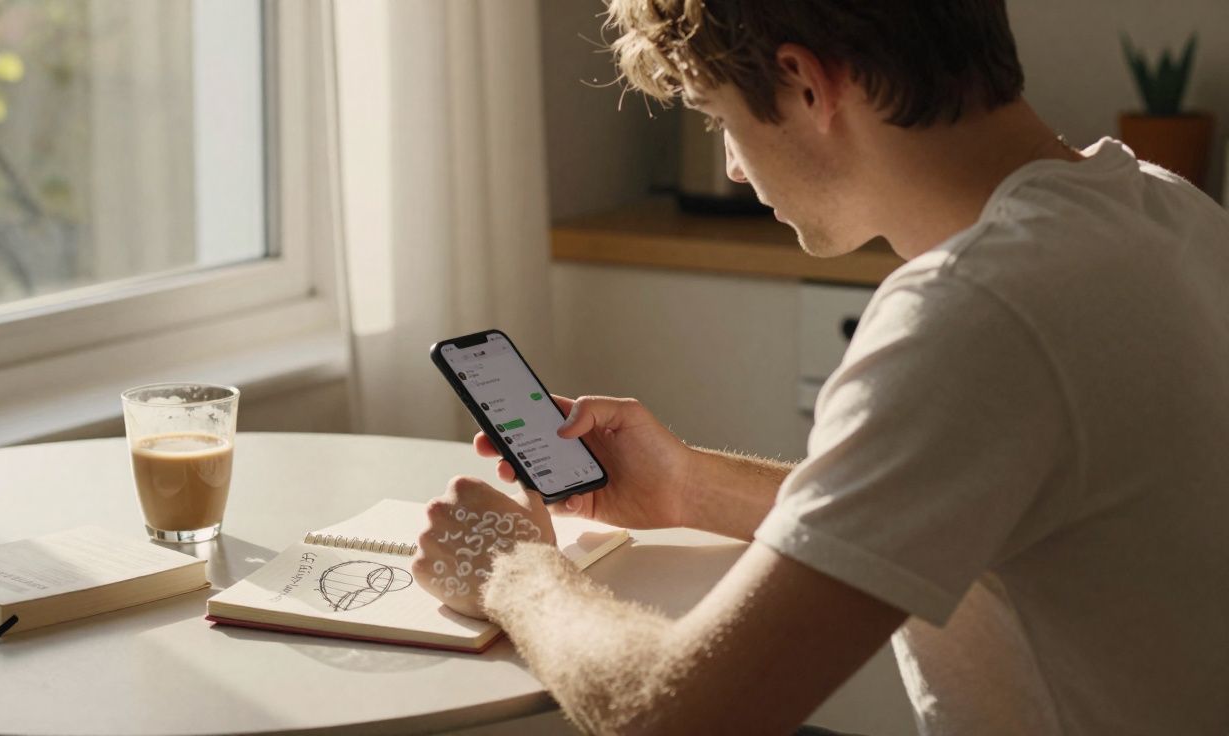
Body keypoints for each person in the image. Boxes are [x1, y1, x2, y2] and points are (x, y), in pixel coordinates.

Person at [412, 1, 1229, 733]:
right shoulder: (1163, 208)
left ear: (805, 83)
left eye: (720, 117)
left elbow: (668, 715)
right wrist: (687, 487)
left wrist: (510, 567)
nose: (732, 165)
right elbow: (974, 508)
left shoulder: (972, 312)